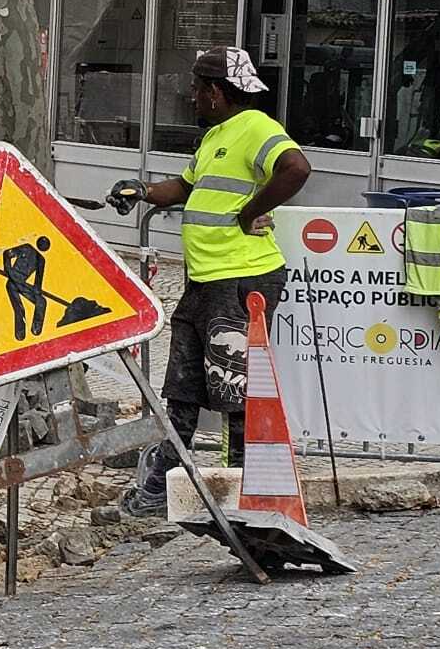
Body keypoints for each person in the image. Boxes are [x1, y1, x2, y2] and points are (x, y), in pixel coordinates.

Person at [107, 46, 312, 518]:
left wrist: (250, 212)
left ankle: (246, 491)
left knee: (233, 391)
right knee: (181, 388)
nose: (192, 97)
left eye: (198, 89)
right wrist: (140, 191)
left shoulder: (257, 126)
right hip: (206, 281)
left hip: (241, 279)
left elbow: (296, 168)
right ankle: (160, 489)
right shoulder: (216, 137)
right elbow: (183, 186)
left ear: (217, 92)